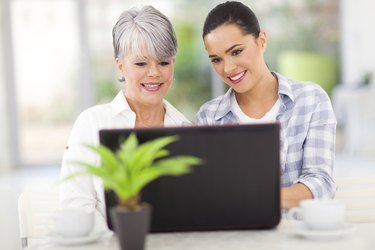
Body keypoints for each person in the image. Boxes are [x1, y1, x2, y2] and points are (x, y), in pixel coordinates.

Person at [196, 1, 337, 213]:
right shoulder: (208, 117)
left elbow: (321, 183)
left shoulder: (311, 100)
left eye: (236, 52)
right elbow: (208, 192)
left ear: (261, 41)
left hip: (295, 239)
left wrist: (255, 196)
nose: (228, 68)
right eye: (216, 59)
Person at [60, 5, 190, 231]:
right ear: (120, 66)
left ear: (173, 64)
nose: (154, 73)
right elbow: (76, 205)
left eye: (163, 62)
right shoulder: (92, 123)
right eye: (141, 63)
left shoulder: (186, 128)